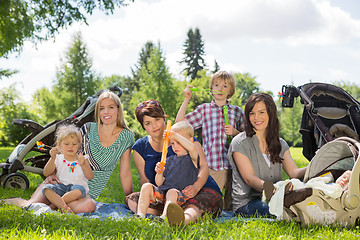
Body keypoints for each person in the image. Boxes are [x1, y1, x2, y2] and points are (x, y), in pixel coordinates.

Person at [3, 91, 134, 213]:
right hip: (61, 182)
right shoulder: (87, 129)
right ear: (97, 112)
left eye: (111, 107)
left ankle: (52, 206)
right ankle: (45, 205)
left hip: (82, 193)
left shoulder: (126, 137)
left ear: (118, 109)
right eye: (101, 108)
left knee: (88, 206)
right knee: (29, 204)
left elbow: (125, 172)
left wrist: (129, 198)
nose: (106, 112)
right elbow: (66, 153)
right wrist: (52, 173)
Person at [126, 99, 222, 226]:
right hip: (168, 192)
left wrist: (196, 187)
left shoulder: (184, 138)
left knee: (194, 205)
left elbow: (203, 166)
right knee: (131, 200)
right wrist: (156, 181)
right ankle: (167, 213)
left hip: (197, 189)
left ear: (164, 118)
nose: (154, 126)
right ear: (143, 126)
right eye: (148, 123)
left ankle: (183, 219)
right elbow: (146, 180)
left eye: (157, 119)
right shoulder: (140, 147)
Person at [227, 92, 306, 217]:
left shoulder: (280, 143)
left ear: (271, 113)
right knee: (281, 211)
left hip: (276, 198)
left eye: (261, 112)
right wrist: (273, 190)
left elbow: (294, 173)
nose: (256, 118)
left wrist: (315, 166)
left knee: (301, 206)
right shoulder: (240, 142)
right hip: (247, 203)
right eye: (252, 113)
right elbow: (249, 178)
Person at [175, 70, 245, 211]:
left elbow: (248, 136)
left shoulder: (237, 112)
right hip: (213, 165)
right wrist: (186, 99)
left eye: (225, 86)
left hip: (234, 166)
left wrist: (236, 132)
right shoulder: (204, 110)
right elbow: (179, 124)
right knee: (212, 201)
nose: (220, 89)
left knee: (233, 206)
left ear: (230, 91)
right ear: (211, 89)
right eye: (216, 85)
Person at [136, 121, 199, 220]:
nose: (175, 146)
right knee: (146, 186)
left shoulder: (192, 158)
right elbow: (159, 183)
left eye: (179, 142)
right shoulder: (169, 160)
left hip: (181, 195)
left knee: (172, 192)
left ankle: (164, 218)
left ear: (190, 140)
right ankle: (140, 215)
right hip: (164, 194)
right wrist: (159, 173)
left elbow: (191, 148)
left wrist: (174, 135)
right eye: (173, 143)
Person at [42, 124, 94, 213]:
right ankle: (63, 207)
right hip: (61, 187)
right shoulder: (58, 158)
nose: (71, 146)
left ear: (79, 145)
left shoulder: (83, 159)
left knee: (78, 191)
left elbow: (90, 176)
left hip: (77, 189)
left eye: (74, 144)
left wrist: (84, 165)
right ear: (59, 144)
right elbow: (46, 173)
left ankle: (55, 205)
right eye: (66, 144)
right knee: (46, 189)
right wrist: (52, 158)